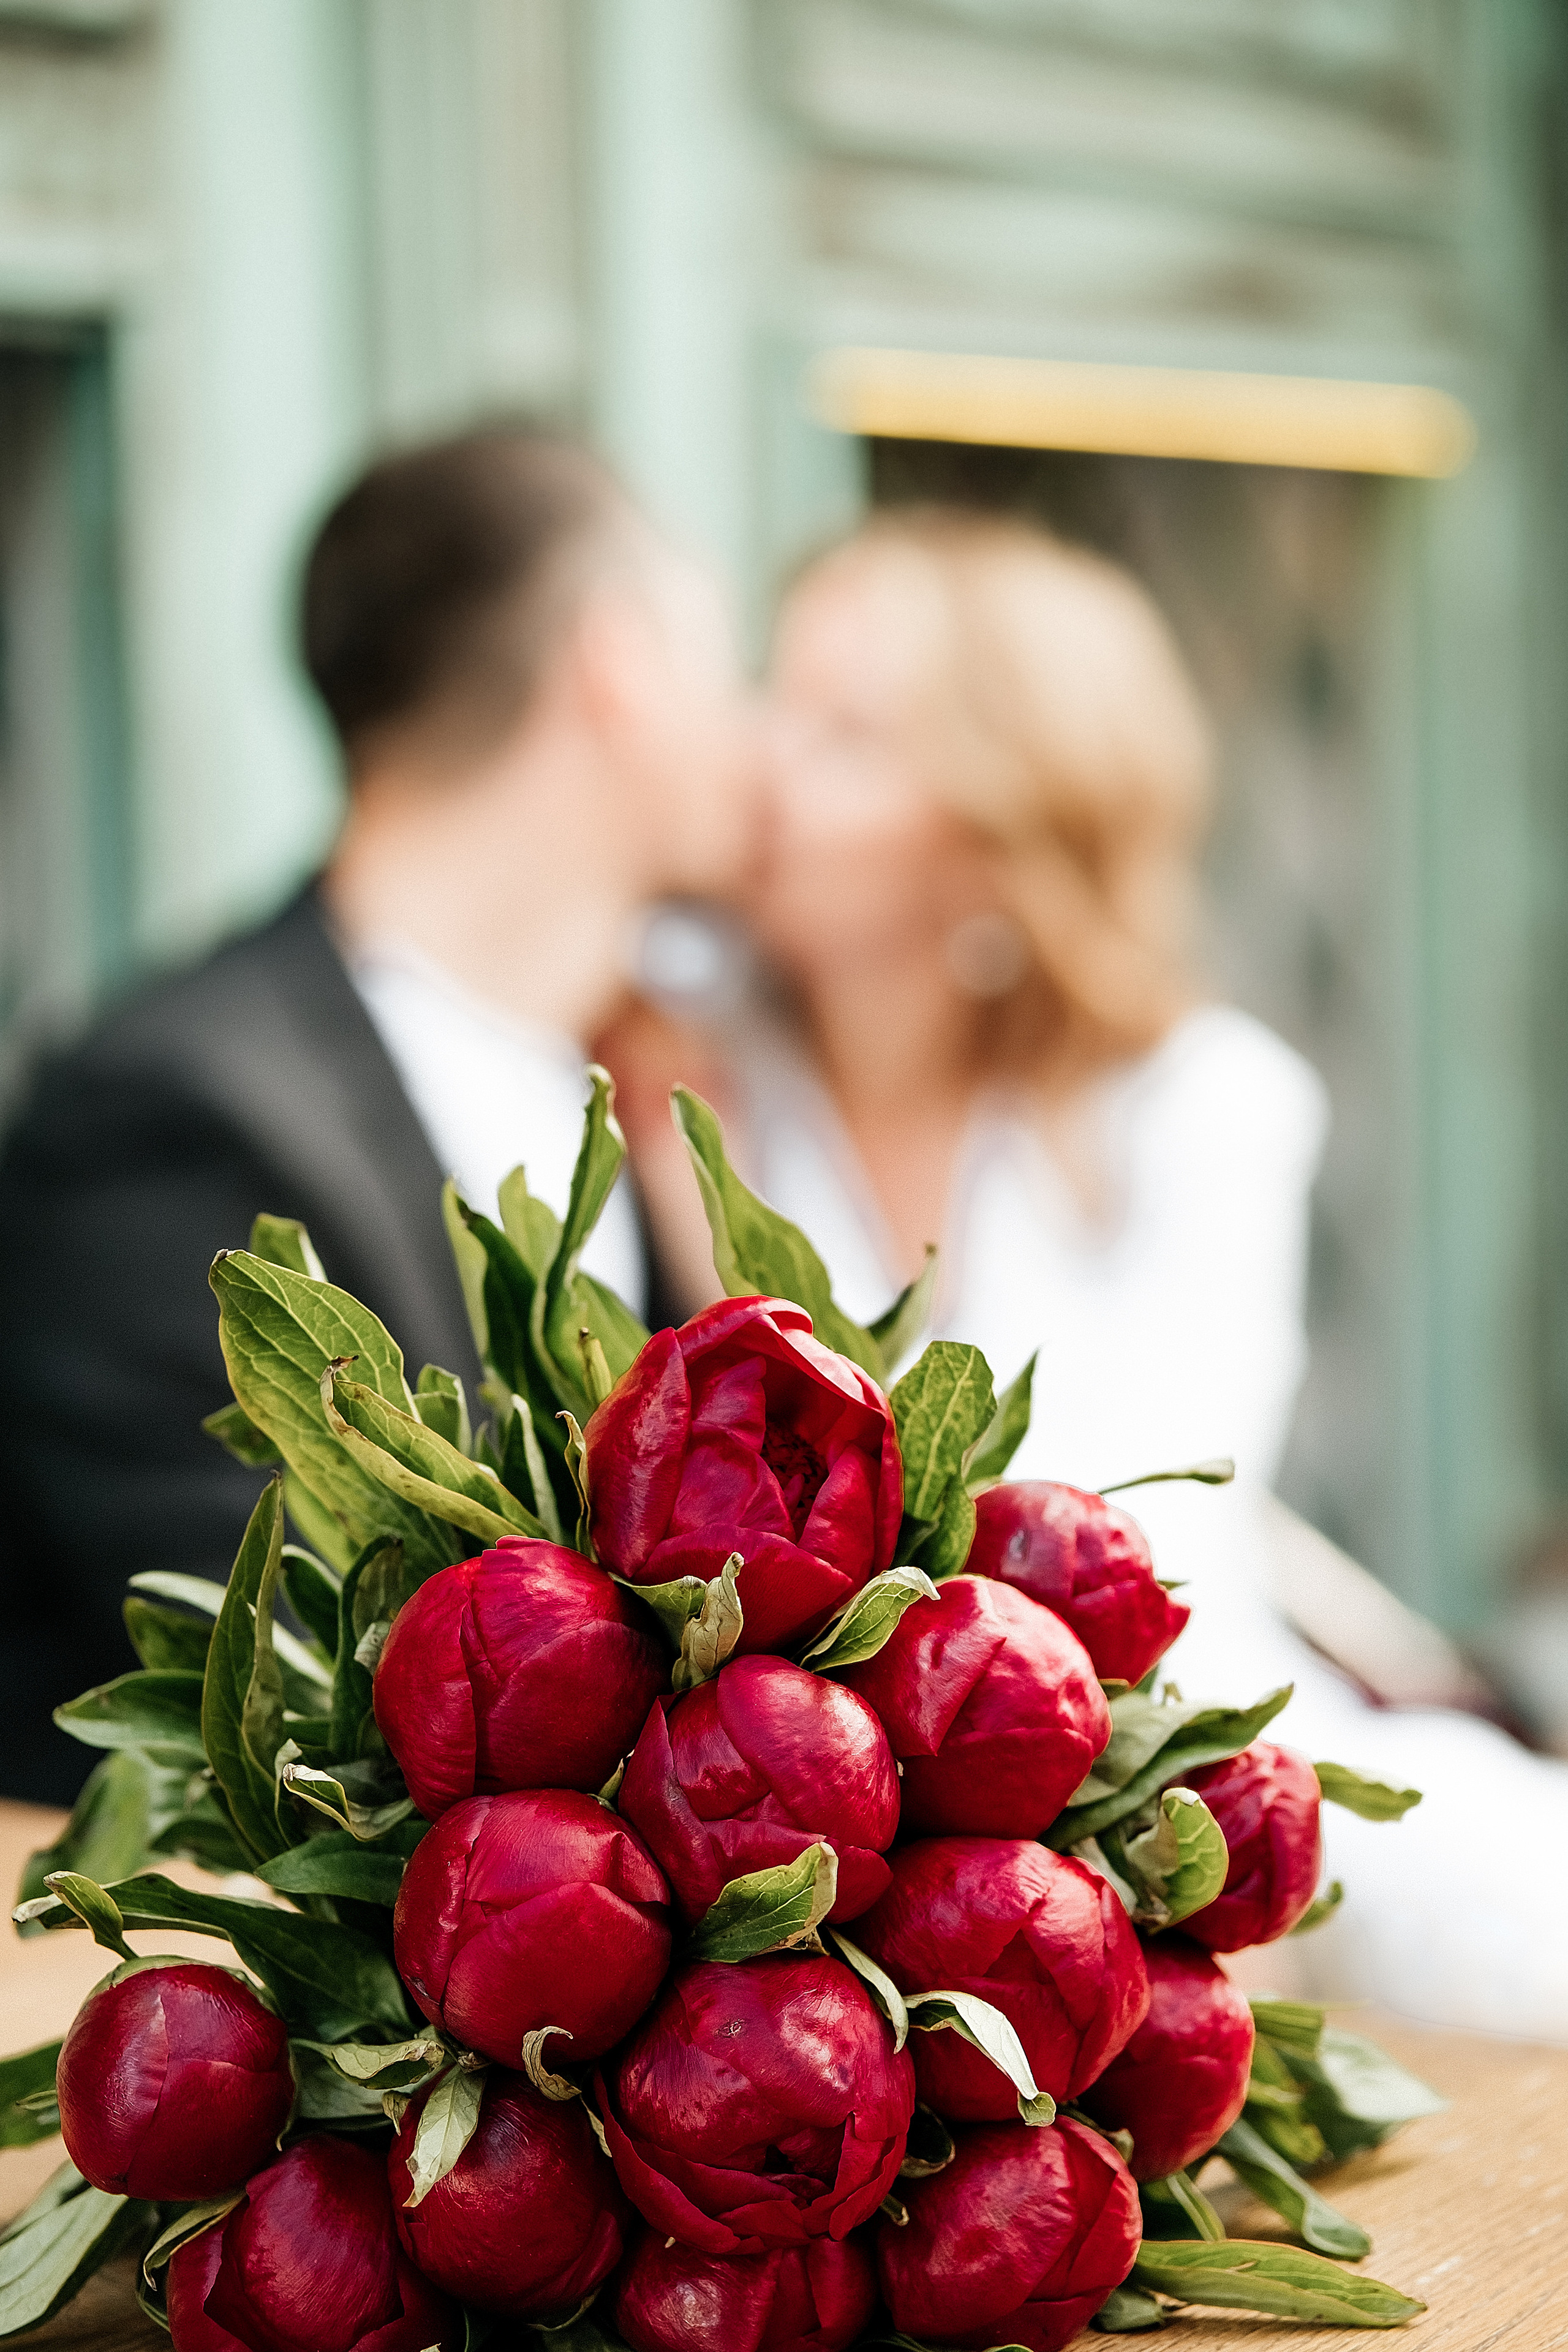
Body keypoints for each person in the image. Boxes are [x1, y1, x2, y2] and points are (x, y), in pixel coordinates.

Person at [605, 507, 1568, 2041]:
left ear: (995, 825)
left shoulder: (1197, 1104)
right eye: (774, 701)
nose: (757, 758)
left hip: (1167, 1738)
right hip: (810, 1812)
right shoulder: (659, 1048)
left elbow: (1142, 1533)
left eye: (841, 732)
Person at [0, 426, 752, 1803]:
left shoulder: (639, 1088)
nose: (746, 733)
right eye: (723, 667)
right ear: (619, 663)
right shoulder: (168, 1117)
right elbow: (274, 1693)